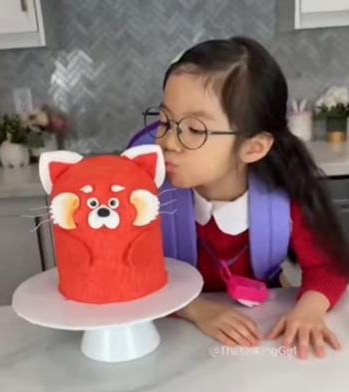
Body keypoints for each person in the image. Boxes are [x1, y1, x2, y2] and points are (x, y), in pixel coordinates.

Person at [129, 36, 349, 360]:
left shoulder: (283, 194)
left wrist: (309, 310)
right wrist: (197, 310)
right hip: (168, 339)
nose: (168, 142)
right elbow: (127, 269)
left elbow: (327, 267)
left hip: (256, 334)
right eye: (165, 121)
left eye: (194, 129)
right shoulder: (142, 193)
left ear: (254, 147)